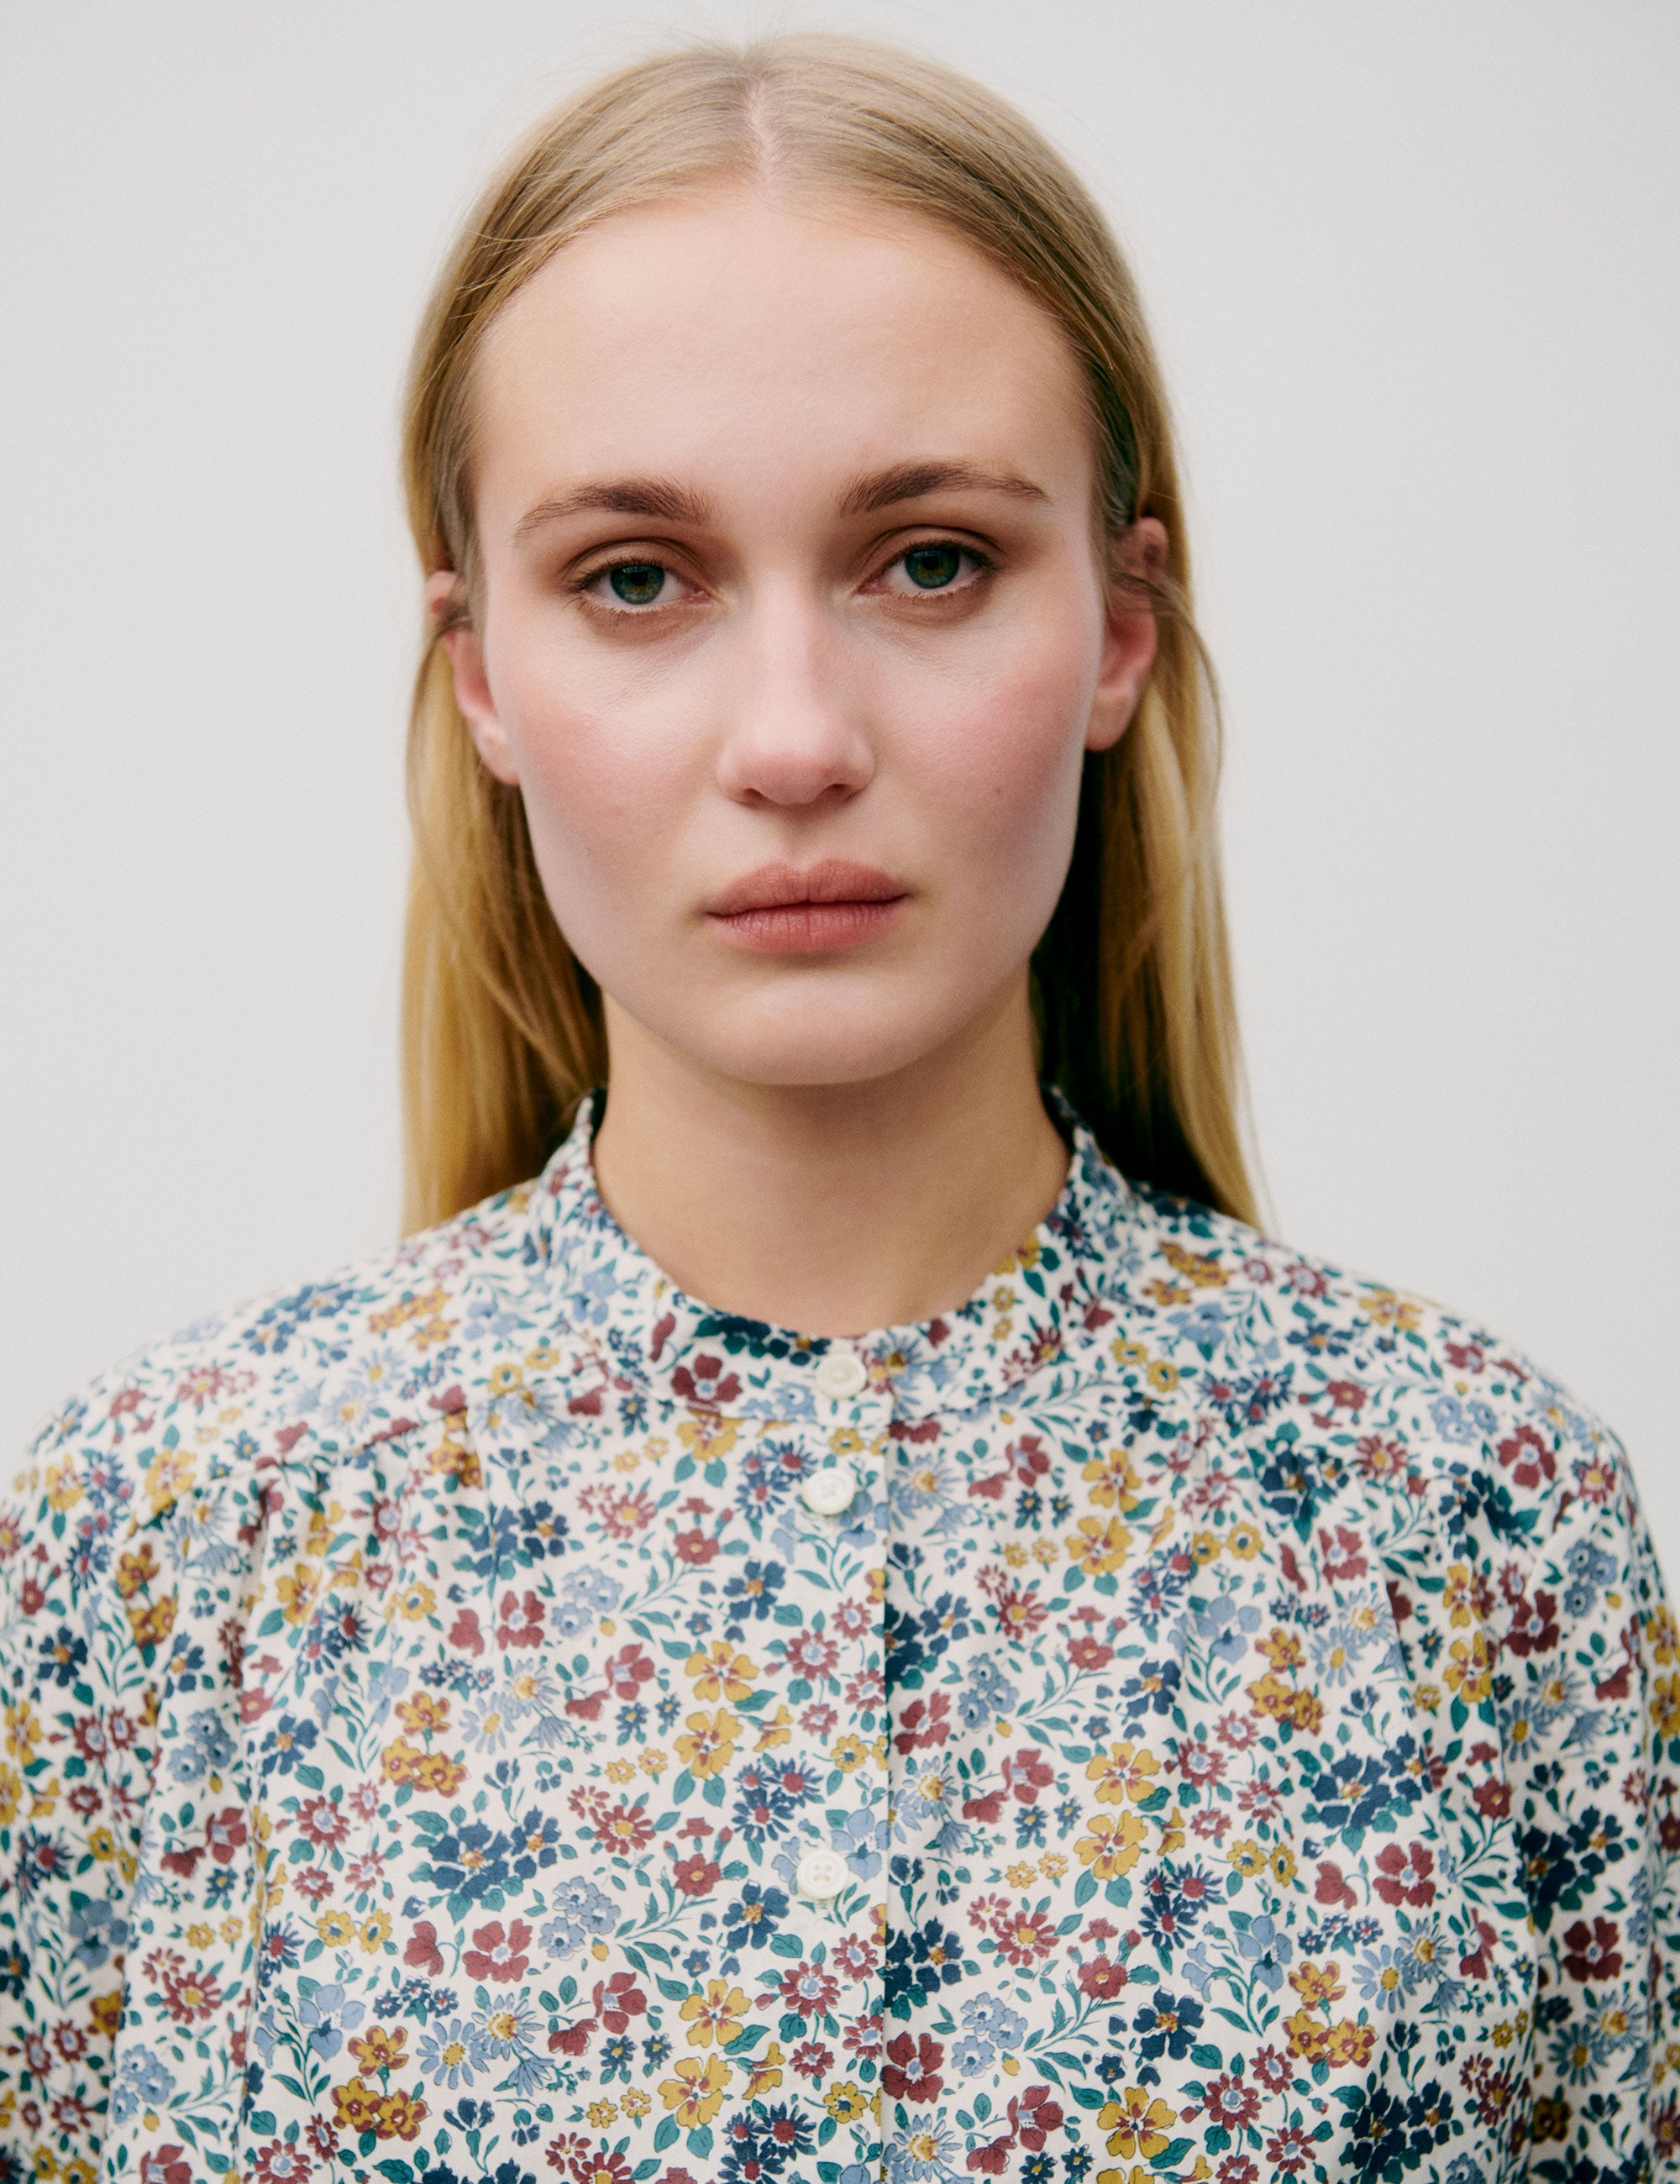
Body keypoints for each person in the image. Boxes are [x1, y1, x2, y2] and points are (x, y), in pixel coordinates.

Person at [2, 33, 1672, 2184]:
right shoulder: (164, 1539)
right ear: (484, 672)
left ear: (1120, 626)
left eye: (931, 562)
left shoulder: (1479, 1529)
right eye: (635, 578)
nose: (791, 739)